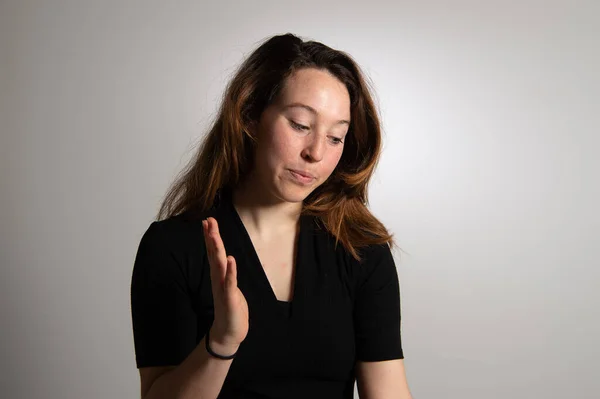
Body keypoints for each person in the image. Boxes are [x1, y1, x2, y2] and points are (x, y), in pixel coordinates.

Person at [130, 33, 413, 399]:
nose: (315, 153)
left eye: (335, 138)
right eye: (300, 125)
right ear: (250, 116)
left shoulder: (361, 250)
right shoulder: (173, 247)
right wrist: (222, 341)